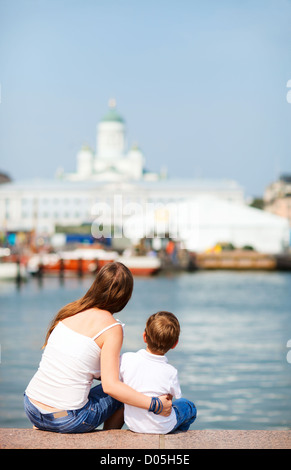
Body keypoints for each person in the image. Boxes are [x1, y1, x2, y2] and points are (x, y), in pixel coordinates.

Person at [23, 262, 172, 433]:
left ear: (97, 285)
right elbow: (111, 386)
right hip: (66, 419)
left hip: (32, 406)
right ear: (125, 297)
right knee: (126, 386)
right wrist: (155, 405)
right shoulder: (111, 328)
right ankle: (110, 440)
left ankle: (43, 424)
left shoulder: (71, 312)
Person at [119, 311, 197, 434]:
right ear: (175, 344)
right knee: (188, 405)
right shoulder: (171, 372)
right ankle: (179, 434)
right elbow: (171, 398)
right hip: (162, 427)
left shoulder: (126, 359)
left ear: (144, 336)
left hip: (134, 425)